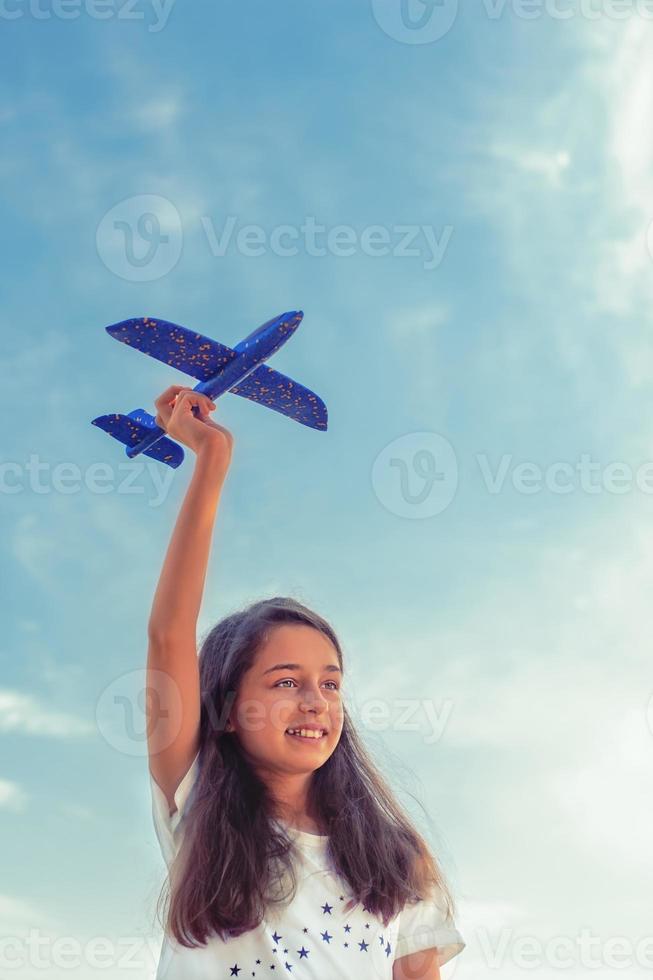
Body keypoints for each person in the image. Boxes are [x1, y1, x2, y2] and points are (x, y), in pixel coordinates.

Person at [145, 384, 466, 979]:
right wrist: (212, 460)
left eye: (331, 683)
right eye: (285, 683)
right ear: (230, 709)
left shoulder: (398, 856)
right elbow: (169, 633)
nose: (316, 701)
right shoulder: (197, 807)